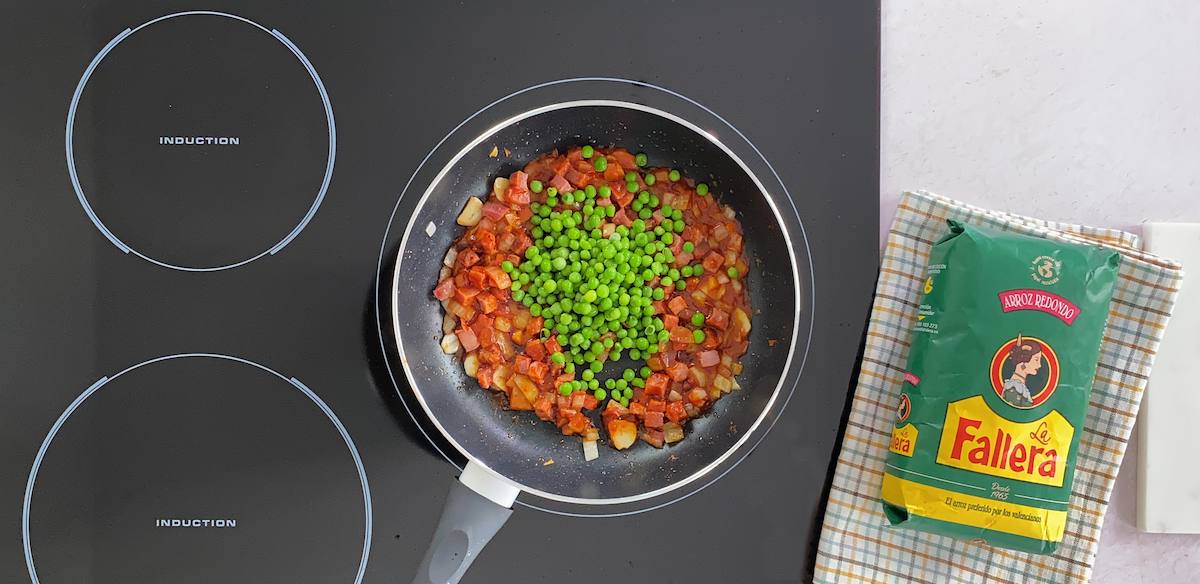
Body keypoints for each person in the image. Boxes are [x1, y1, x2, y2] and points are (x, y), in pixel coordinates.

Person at [1002, 338, 1044, 407]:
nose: (1039, 365)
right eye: (1036, 360)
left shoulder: (1019, 386)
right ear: (1024, 359)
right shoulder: (1013, 388)